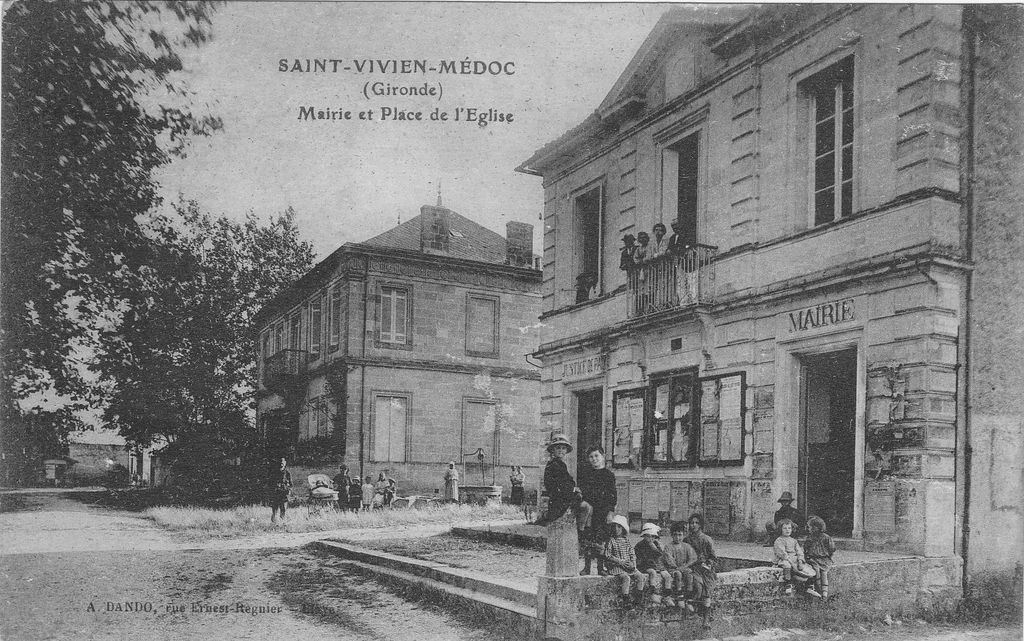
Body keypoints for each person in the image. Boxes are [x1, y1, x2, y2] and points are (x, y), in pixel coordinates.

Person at [578, 445, 617, 575]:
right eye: (591, 457)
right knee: (589, 539)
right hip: (590, 512)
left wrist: (610, 512)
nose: (594, 459)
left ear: (602, 456)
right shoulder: (586, 474)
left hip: (603, 512)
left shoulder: (609, 475)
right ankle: (587, 567)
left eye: (596, 456)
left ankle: (601, 568)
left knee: (601, 540)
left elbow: (613, 496)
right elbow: (583, 493)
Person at [595, 515, 645, 608]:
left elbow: (632, 553)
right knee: (626, 578)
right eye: (614, 527)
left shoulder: (626, 541)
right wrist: (619, 561)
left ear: (623, 529)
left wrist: (633, 563)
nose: (616, 529)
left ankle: (638, 598)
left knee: (640, 576)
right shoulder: (611, 541)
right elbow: (608, 555)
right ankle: (625, 599)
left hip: (628, 565)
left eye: (619, 527)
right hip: (617, 566)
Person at [684, 513, 718, 626]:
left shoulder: (707, 539)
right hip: (692, 568)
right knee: (698, 585)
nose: (693, 525)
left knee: (706, 591)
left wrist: (708, 564)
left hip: (705, 569)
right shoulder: (686, 540)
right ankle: (696, 611)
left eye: (696, 523)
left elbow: (713, 557)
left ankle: (706, 619)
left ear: (700, 525)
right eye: (691, 523)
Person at [635, 522, 680, 606]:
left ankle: (667, 596)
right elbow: (641, 558)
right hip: (645, 565)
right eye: (648, 536)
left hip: (657, 566)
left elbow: (660, 554)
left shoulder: (655, 544)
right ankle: (653, 593)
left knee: (667, 576)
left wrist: (655, 548)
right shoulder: (640, 545)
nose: (651, 538)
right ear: (644, 536)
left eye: (653, 536)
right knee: (653, 573)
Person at [540, 433, 579, 525]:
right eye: (558, 448)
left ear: (566, 451)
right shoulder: (555, 465)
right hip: (559, 501)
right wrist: (573, 489)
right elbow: (559, 484)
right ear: (553, 450)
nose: (561, 450)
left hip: (561, 498)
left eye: (563, 448)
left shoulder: (559, 464)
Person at [773, 518, 814, 596]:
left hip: (794, 559)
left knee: (807, 568)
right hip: (784, 559)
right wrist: (790, 561)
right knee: (787, 565)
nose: (787, 530)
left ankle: (810, 586)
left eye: (789, 528)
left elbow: (799, 551)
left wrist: (800, 560)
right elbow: (782, 552)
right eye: (784, 528)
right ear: (780, 529)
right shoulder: (779, 540)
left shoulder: (794, 541)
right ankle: (788, 584)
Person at [665, 521, 699, 612]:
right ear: (672, 535)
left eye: (680, 535)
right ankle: (679, 597)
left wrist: (685, 566)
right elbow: (669, 560)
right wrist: (677, 567)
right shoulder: (668, 547)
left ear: (683, 535)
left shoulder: (686, 546)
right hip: (673, 569)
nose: (678, 537)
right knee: (678, 575)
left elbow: (693, 558)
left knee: (690, 575)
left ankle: (688, 599)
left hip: (683, 568)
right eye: (675, 535)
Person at [803, 516, 835, 599]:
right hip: (813, 559)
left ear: (816, 528)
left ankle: (824, 593)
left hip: (823, 559)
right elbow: (806, 548)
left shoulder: (826, 537)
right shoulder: (809, 538)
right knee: (816, 570)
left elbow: (831, 549)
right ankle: (820, 591)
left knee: (824, 573)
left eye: (809, 527)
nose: (808, 529)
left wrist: (827, 556)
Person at [268, 457, 292, 524]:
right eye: (280, 463)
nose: (281, 465)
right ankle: (274, 523)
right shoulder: (274, 473)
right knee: (275, 509)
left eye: (283, 463)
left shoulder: (287, 473)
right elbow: (270, 483)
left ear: (285, 464)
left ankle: (282, 522)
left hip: (284, 493)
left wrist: (289, 490)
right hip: (276, 493)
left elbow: (291, 484)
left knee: (283, 509)